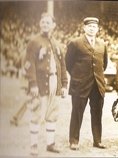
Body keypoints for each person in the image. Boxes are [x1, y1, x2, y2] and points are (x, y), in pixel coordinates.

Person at [24, 12, 68, 156]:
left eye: (48, 22)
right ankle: (34, 145)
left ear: (54, 26)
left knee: (52, 114)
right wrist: (33, 84)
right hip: (40, 82)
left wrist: (64, 85)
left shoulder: (57, 43)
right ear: (39, 24)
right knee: (36, 113)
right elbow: (28, 64)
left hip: (55, 82)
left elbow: (63, 65)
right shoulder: (34, 41)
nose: (45, 25)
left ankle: (50, 144)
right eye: (43, 22)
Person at [65, 17, 108, 150]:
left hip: (97, 85)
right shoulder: (75, 43)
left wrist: (97, 77)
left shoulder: (102, 44)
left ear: (98, 29)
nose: (91, 28)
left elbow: (104, 64)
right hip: (80, 85)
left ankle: (97, 140)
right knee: (77, 113)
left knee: (97, 114)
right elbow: (68, 64)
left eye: (94, 26)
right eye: (89, 26)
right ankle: (74, 140)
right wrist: (79, 77)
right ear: (84, 28)